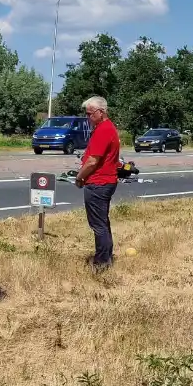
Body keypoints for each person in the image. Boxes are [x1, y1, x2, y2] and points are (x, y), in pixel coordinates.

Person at [74, 96, 120, 271]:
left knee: (98, 225)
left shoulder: (103, 130)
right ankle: (106, 257)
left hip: (98, 183)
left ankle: (101, 262)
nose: (88, 118)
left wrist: (79, 177)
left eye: (90, 114)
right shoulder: (107, 128)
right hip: (105, 181)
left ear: (101, 112)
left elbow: (93, 161)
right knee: (102, 222)